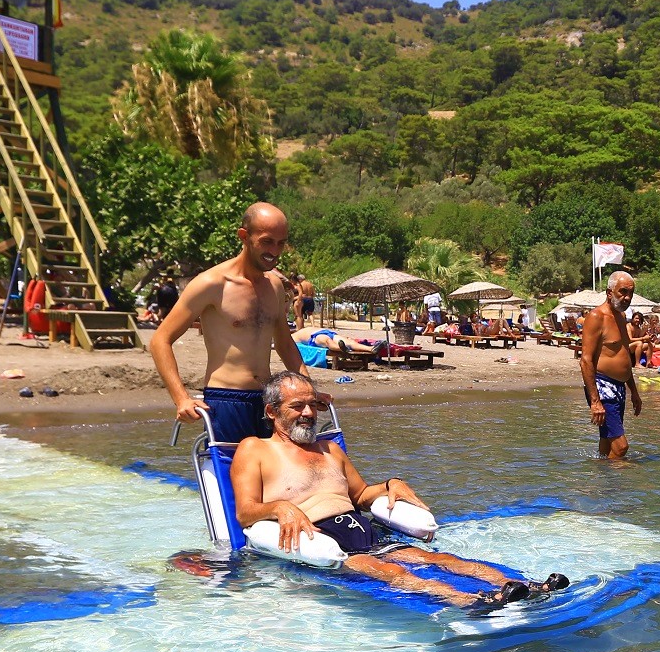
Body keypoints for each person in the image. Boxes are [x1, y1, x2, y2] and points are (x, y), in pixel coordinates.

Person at [235, 372, 566, 607]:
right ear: (272, 412)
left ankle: (525, 586)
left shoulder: (329, 449)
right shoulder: (255, 449)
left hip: (363, 531)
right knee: (389, 571)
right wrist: (279, 507)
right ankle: (469, 601)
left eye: (312, 404)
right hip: (323, 540)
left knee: (438, 559)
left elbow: (360, 496)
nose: (308, 413)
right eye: (297, 406)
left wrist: (390, 484)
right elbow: (245, 512)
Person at [149, 201, 308, 446]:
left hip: (268, 400)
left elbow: (285, 344)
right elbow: (160, 340)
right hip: (227, 400)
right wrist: (181, 399)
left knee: (279, 468)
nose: (275, 251)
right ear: (244, 236)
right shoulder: (211, 283)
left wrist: (307, 390)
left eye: (281, 243)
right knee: (233, 469)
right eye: (267, 241)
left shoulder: (275, 286)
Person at [580, 271, 642, 460]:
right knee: (621, 447)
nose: (627, 297)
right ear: (609, 292)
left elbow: (624, 356)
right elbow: (586, 360)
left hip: (619, 387)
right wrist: (595, 401)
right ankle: (619, 479)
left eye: (630, 293)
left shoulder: (621, 317)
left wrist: (634, 392)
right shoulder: (596, 317)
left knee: (607, 442)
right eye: (623, 292)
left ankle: (601, 474)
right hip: (602, 385)